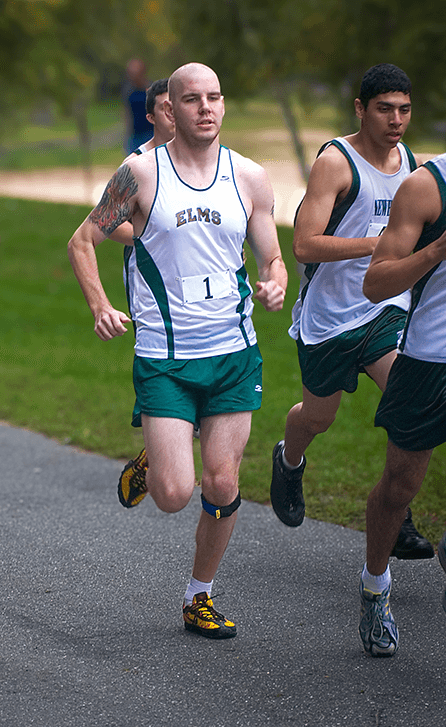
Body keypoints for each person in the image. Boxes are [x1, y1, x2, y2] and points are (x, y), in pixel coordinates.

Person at [67, 62, 287, 639]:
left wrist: (276, 280)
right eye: (193, 99)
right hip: (165, 356)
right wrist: (100, 305)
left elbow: (271, 254)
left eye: (215, 97)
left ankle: (199, 595)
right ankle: (156, 463)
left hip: (234, 352)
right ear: (172, 107)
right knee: (171, 494)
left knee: (222, 481)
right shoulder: (140, 174)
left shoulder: (251, 177)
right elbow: (83, 239)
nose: (206, 108)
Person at [269, 64, 432, 559]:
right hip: (330, 318)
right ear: (360, 109)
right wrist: (378, 245)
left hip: (385, 310)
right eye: (384, 108)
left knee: (408, 400)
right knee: (317, 417)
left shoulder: (410, 163)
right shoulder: (336, 163)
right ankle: (289, 459)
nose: (396, 119)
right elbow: (302, 244)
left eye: (404, 109)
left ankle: (396, 511)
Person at [359, 151, 446, 656]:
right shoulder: (427, 187)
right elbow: (376, 283)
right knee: (401, 486)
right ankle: (375, 587)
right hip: (430, 358)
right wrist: (436, 252)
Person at [123, 58, 151, 155]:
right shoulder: (128, 91)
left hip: (150, 132)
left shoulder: (150, 89)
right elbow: (127, 113)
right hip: (135, 135)